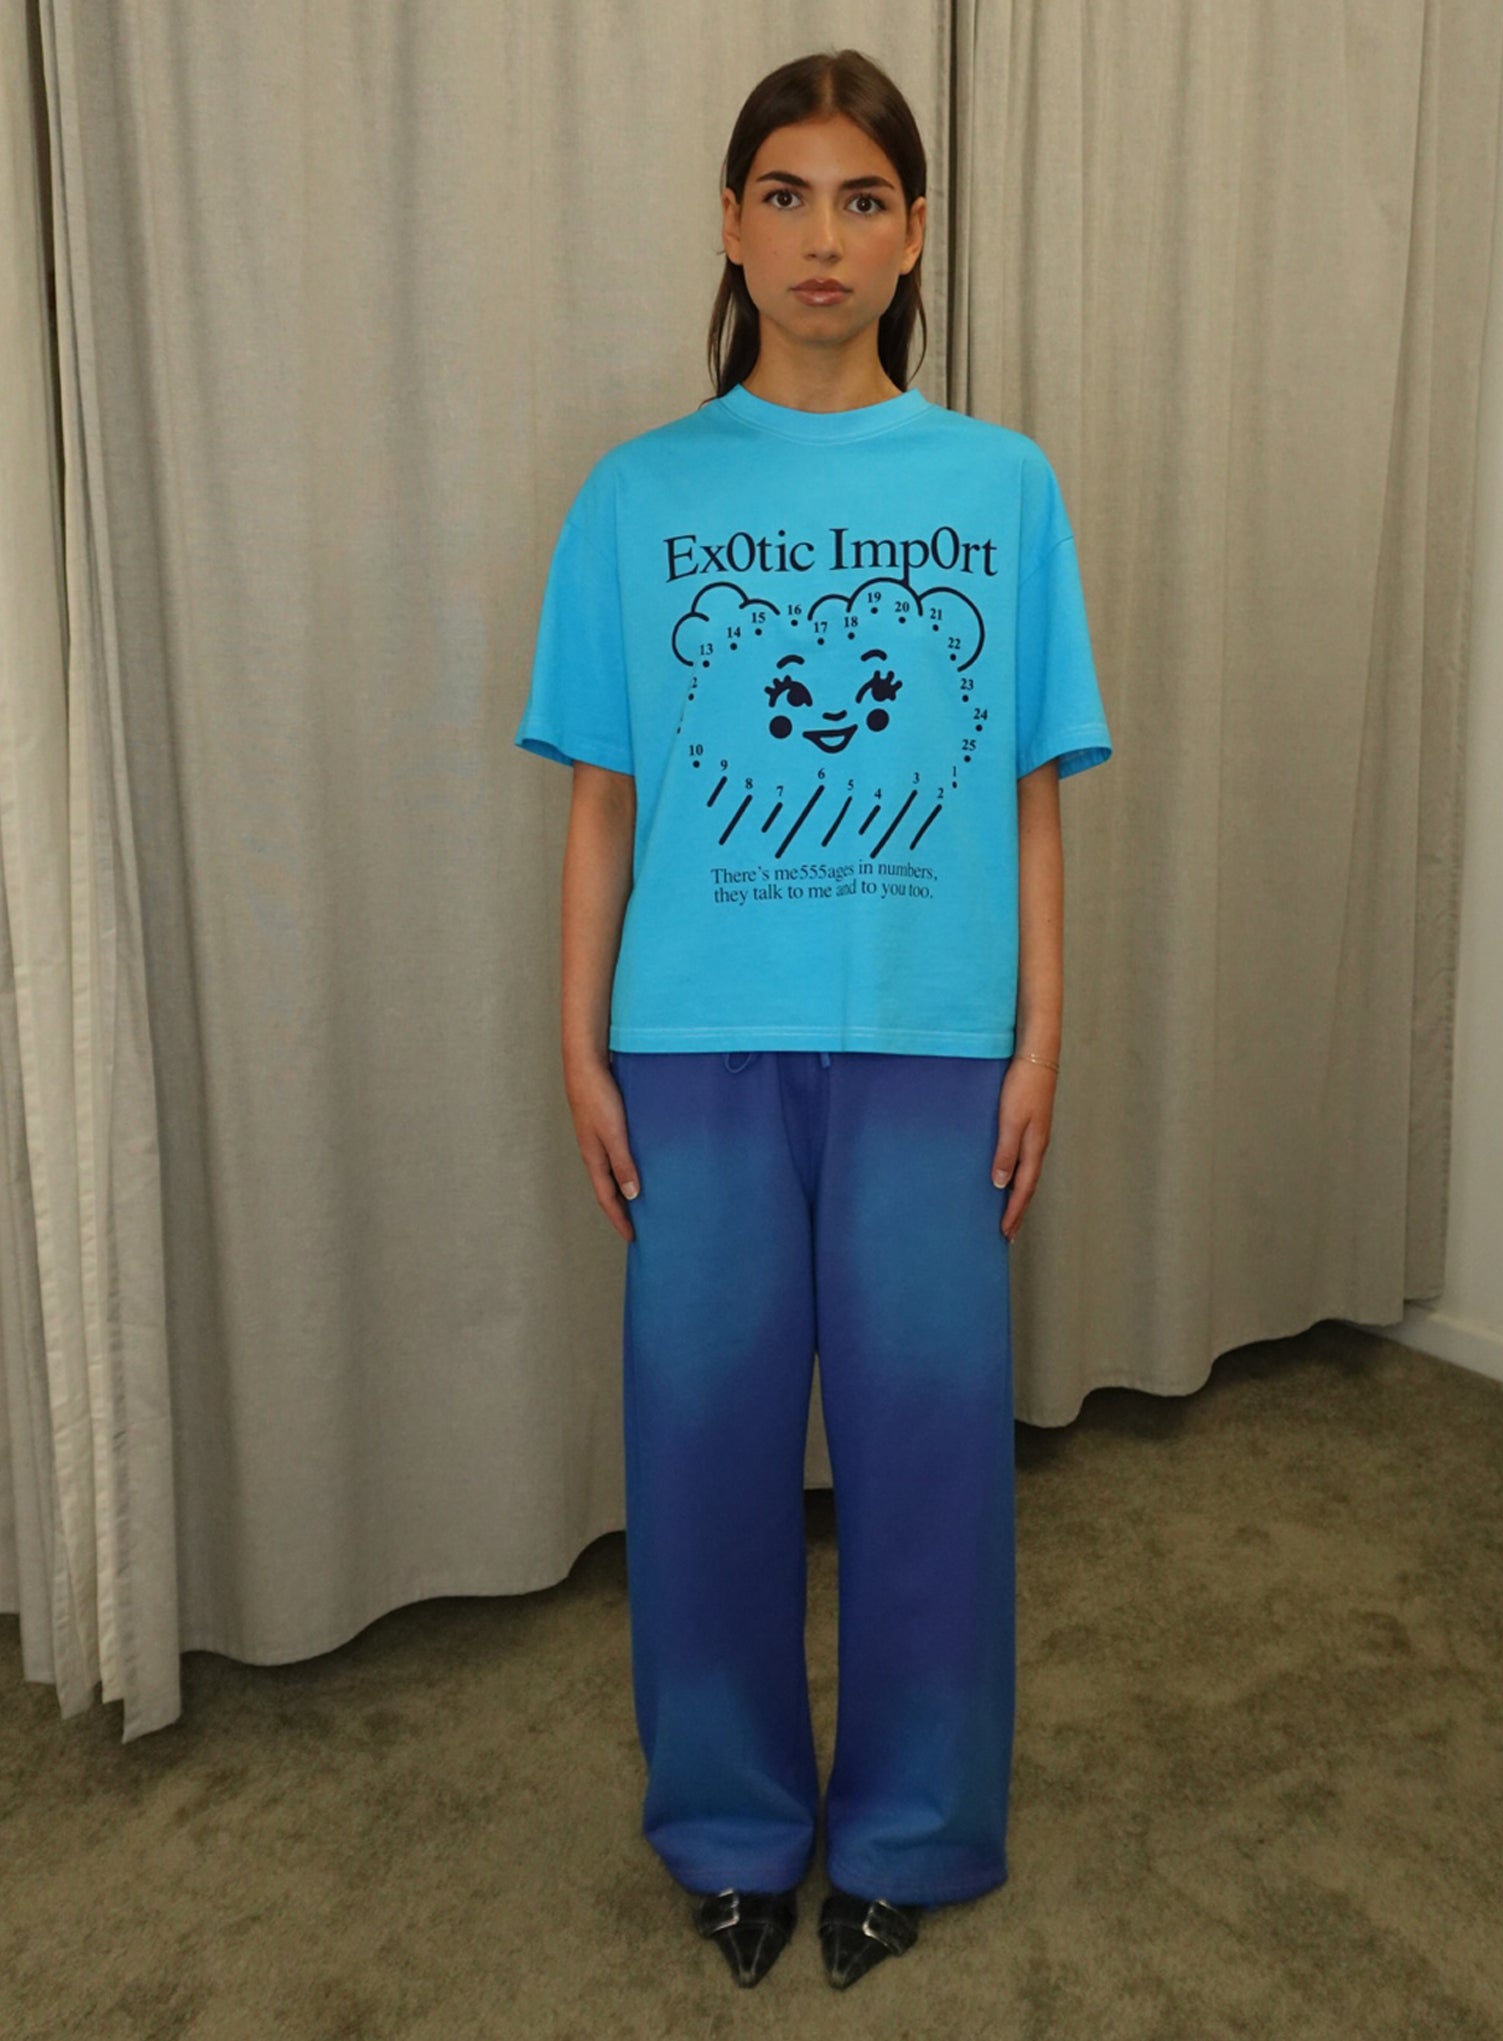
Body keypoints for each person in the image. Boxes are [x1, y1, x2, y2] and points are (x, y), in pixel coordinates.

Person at [516, 47, 1111, 1992]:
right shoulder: (638, 496)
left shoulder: (1000, 487)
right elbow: (603, 797)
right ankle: (729, 1822)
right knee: (699, 1439)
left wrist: (1037, 1038)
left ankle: (917, 1825)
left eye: (863, 199)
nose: (822, 238)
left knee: (930, 1444)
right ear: (730, 222)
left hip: (934, 1044)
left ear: (914, 233)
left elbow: (1027, 790)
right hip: (694, 1042)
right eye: (785, 194)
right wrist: (577, 1041)